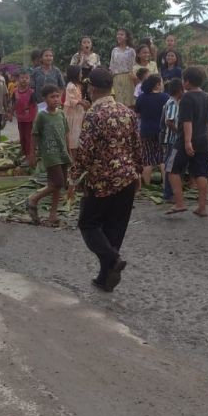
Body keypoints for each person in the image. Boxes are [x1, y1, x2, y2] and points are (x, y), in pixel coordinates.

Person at [71, 68, 142, 292]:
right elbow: (136, 146)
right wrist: (137, 173)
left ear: (92, 88)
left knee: (88, 224)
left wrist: (73, 178)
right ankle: (105, 277)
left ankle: (112, 260)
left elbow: (85, 152)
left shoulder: (93, 114)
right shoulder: (126, 111)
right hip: (127, 178)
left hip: (102, 180)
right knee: (115, 227)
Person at [166, 67, 208, 217]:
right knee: (201, 173)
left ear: (186, 82)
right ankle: (202, 207)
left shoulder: (187, 98)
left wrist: (187, 142)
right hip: (202, 140)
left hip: (184, 141)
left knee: (172, 169)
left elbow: (187, 121)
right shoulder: (206, 96)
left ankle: (179, 203)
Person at [27, 85, 71, 226]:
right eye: (52, 97)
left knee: (59, 185)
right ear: (45, 99)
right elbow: (34, 135)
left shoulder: (61, 114)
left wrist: (69, 152)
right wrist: (32, 153)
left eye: (57, 96)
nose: (56, 99)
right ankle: (34, 198)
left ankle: (53, 215)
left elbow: (66, 134)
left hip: (62, 152)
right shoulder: (41, 116)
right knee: (57, 182)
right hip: (50, 154)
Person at [135, 74, 170, 187]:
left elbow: (138, 115)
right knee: (163, 159)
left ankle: (147, 185)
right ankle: (166, 184)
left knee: (147, 159)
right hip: (162, 131)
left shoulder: (141, 98)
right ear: (158, 84)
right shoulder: (165, 97)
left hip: (146, 131)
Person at [161, 78, 183, 203]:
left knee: (172, 165)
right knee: (171, 167)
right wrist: (178, 132)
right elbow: (169, 121)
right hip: (173, 139)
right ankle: (169, 194)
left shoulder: (173, 102)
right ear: (179, 89)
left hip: (173, 139)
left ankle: (170, 192)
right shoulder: (172, 103)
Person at [13, 71, 37, 167]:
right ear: (18, 79)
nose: (24, 80)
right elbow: (13, 103)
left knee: (28, 138)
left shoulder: (31, 93)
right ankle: (24, 154)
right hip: (20, 119)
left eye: (26, 78)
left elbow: (35, 106)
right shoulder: (15, 92)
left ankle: (29, 157)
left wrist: (35, 119)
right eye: (22, 78)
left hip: (29, 120)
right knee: (22, 138)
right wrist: (10, 113)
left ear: (29, 80)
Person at [63, 65, 89, 155]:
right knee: (73, 135)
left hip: (77, 113)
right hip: (72, 114)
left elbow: (78, 98)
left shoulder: (77, 85)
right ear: (75, 74)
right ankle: (72, 157)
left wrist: (83, 102)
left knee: (77, 134)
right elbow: (71, 100)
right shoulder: (71, 86)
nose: (81, 75)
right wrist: (82, 103)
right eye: (80, 73)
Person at [109, 28, 137, 107]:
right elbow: (112, 66)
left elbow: (134, 66)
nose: (119, 36)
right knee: (118, 102)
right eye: (118, 34)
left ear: (126, 37)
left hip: (129, 78)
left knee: (129, 102)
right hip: (117, 78)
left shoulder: (131, 51)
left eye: (121, 34)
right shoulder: (114, 50)